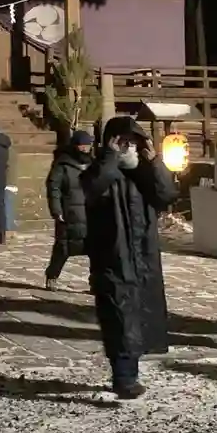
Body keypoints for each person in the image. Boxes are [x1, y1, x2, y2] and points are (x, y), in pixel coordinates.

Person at [82, 116, 178, 398]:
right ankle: (124, 378)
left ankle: (130, 371)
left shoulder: (143, 174)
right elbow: (91, 188)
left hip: (144, 256)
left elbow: (167, 194)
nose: (129, 148)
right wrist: (110, 157)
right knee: (119, 315)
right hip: (113, 256)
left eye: (134, 143)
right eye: (123, 142)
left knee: (140, 313)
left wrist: (155, 162)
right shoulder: (99, 170)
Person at [44, 130, 93, 289]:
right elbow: (54, 188)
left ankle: (95, 283)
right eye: (82, 145)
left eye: (87, 145)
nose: (85, 149)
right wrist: (56, 210)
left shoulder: (93, 164)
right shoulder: (62, 165)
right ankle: (52, 275)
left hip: (91, 213)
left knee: (96, 251)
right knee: (63, 248)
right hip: (69, 214)